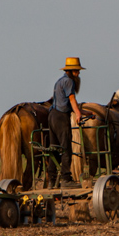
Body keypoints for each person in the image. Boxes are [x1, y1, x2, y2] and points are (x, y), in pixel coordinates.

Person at [47, 57, 87, 188]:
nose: (78, 73)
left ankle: (51, 180)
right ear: (71, 71)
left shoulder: (59, 81)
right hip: (61, 117)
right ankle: (66, 179)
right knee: (66, 148)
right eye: (77, 71)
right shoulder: (69, 82)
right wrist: (79, 114)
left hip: (52, 115)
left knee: (54, 148)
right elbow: (71, 99)